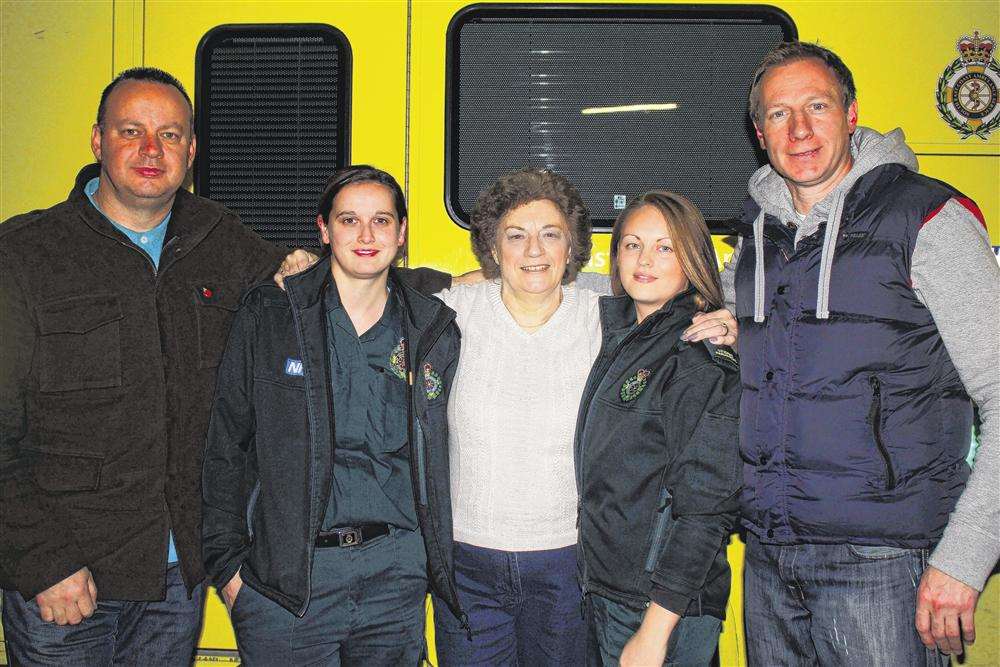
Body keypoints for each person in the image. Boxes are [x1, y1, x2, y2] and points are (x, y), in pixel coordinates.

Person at [685, 41, 999, 664]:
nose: (799, 129)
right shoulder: (756, 236)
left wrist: (964, 558)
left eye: (817, 106)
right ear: (759, 132)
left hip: (887, 565)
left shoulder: (927, 218)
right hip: (771, 557)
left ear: (852, 114)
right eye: (779, 114)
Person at [0, 68, 286, 665]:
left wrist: (466, 286)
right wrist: (41, 560)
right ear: (98, 141)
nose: (152, 150)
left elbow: (323, 284)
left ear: (192, 150)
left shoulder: (218, 239)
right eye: (132, 131)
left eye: (171, 135)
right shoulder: (25, 255)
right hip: (67, 584)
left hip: (175, 583)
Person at [201, 165, 464, 664]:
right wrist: (229, 571)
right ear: (323, 230)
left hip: (395, 579)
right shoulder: (270, 314)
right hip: (290, 584)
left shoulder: (431, 327)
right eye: (349, 220)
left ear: (402, 233)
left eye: (382, 221)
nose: (366, 235)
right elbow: (224, 445)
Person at [429, 168, 603, 666]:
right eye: (516, 235)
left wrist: (718, 317)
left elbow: (682, 289)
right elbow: (370, 289)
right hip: (467, 565)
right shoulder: (452, 313)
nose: (533, 250)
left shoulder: (601, 317)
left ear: (570, 248)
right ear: (492, 248)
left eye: (551, 235)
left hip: (568, 565)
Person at [576, 191, 741, 667]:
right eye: (632, 245)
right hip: (610, 591)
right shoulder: (624, 335)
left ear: (692, 258)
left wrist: (654, 630)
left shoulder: (697, 354)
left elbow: (705, 509)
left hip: (660, 605)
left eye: (665, 247)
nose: (645, 259)